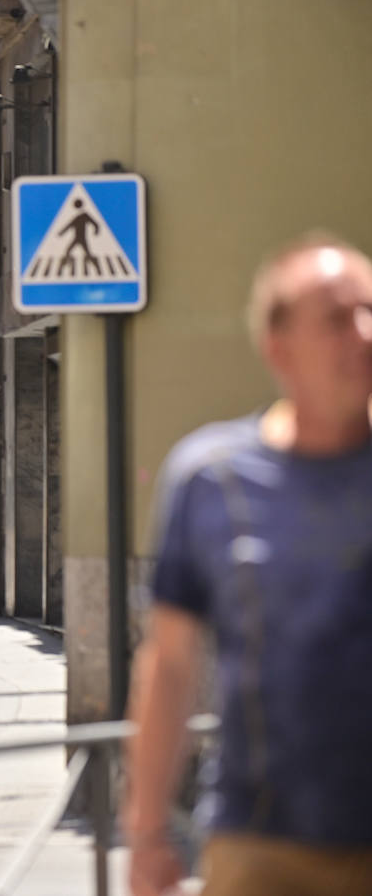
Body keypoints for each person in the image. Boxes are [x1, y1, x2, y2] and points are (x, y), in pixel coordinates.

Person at [124, 234, 372, 896]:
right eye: (338, 317)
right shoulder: (212, 480)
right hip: (260, 849)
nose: (365, 333)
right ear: (278, 347)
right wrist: (147, 830)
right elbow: (170, 663)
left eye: (370, 310)